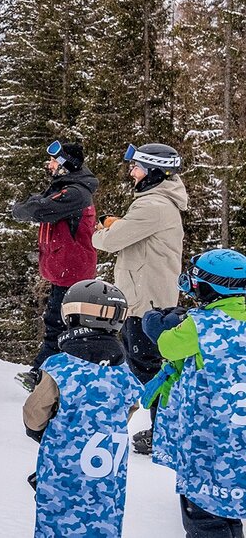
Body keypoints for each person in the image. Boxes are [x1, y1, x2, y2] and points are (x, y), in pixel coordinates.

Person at [136, 247, 246, 536]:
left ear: (209, 288)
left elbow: (166, 345)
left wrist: (156, 322)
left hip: (211, 443)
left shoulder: (200, 326)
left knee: (207, 515)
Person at [21, 279, 139, 538]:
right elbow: (131, 405)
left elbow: (35, 412)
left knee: (59, 517)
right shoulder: (123, 370)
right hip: (108, 467)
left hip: (65, 463)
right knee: (104, 514)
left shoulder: (60, 367)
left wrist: (39, 431)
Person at [94, 143, 186, 451]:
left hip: (146, 302)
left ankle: (165, 432)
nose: (132, 173)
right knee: (148, 366)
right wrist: (117, 224)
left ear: (153, 172)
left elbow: (110, 242)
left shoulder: (153, 206)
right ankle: (162, 428)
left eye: (136, 167)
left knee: (149, 368)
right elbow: (134, 233)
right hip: (149, 298)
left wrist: (99, 231)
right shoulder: (157, 203)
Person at [9, 140, 100, 392]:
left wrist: (24, 207)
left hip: (72, 273)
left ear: (65, 165)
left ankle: (43, 375)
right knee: (59, 324)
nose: (48, 165)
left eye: (53, 161)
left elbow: (38, 209)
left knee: (60, 326)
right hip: (65, 271)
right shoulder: (68, 188)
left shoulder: (75, 193)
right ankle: (48, 375)